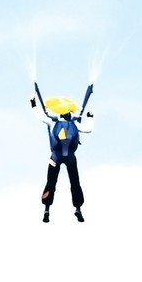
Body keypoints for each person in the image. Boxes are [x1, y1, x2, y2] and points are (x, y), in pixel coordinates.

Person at [32, 82, 92, 223]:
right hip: (71, 158)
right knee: (75, 183)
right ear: (69, 113)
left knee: (51, 183)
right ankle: (78, 209)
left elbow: (39, 116)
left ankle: (46, 210)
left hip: (55, 158)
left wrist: (33, 104)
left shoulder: (52, 122)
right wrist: (90, 117)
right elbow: (88, 129)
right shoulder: (75, 123)